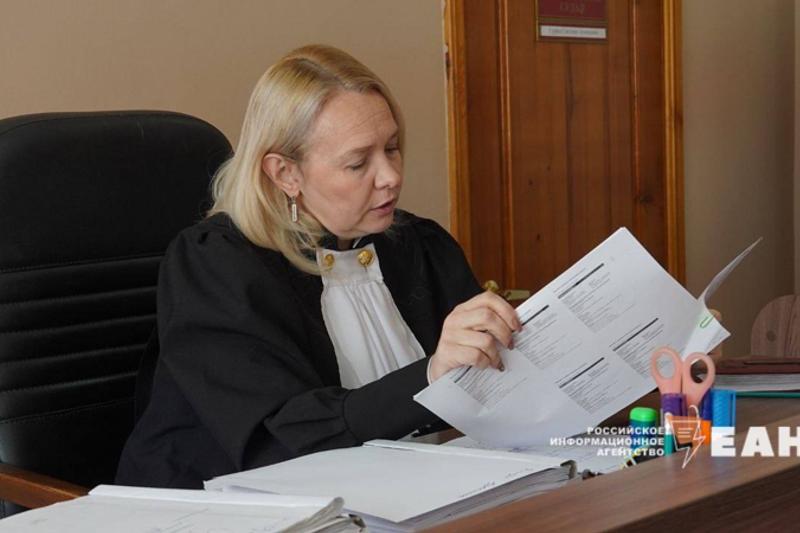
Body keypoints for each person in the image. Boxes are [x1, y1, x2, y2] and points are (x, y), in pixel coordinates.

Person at [115, 44, 521, 489]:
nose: (390, 176)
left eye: (392, 148)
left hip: (402, 494)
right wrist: (431, 374)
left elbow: (490, 387)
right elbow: (281, 440)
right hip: (232, 506)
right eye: (358, 163)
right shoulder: (216, 265)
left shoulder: (420, 245)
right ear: (285, 174)